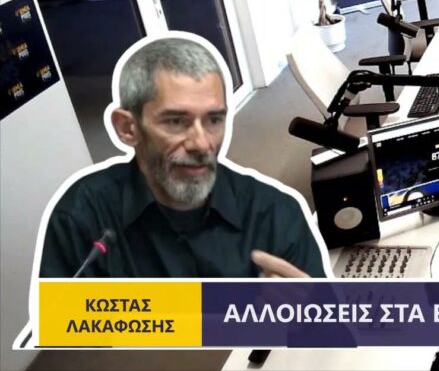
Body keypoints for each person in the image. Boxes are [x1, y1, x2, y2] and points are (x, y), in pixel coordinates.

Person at [37, 35, 326, 278]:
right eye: (176, 122)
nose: (202, 144)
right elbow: (61, 329)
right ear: (127, 128)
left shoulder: (276, 215)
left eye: (214, 120)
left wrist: (312, 314)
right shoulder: (80, 217)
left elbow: (327, 325)